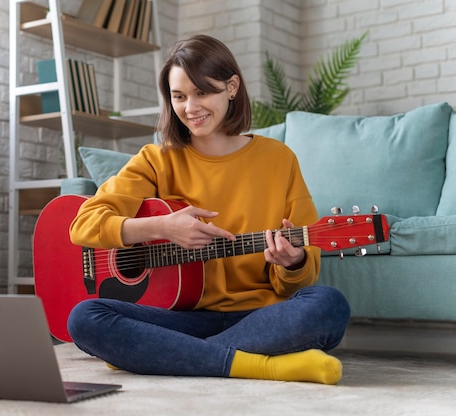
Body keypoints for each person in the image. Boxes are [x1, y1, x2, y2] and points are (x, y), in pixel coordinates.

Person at [67, 34, 350, 385]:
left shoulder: (278, 159)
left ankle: (158, 353)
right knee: (85, 317)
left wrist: (293, 263)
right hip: (179, 316)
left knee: (328, 305)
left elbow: (304, 274)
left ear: (232, 87)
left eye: (203, 92)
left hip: (261, 314)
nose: (191, 108)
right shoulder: (156, 160)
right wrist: (162, 227)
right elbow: (83, 224)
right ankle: (259, 365)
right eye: (179, 96)